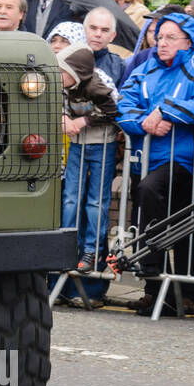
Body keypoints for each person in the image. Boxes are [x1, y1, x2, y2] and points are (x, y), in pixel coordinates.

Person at [117, 13, 194, 318]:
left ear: (187, 41)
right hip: (146, 156)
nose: (161, 43)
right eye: (159, 37)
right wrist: (146, 124)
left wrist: (164, 112)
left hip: (181, 158)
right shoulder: (146, 64)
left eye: (170, 38)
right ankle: (156, 290)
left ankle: (184, 293)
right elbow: (123, 106)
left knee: (177, 217)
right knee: (157, 216)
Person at [58, 45, 121, 271]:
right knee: (71, 198)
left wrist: (82, 122)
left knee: (96, 201)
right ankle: (65, 248)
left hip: (102, 144)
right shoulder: (64, 86)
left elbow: (113, 111)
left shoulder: (96, 86)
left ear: (76, 73)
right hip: (77, 146)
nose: (59, 76)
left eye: (63, 72)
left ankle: (91, 251)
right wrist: (64, 117)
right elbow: (60, 102)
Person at [83, 6, 126, 85]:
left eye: (104, 30)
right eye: (93, 28)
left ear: (112, 36)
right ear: (83, 30)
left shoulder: (120, 66)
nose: (98, 34)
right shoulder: (68, 59)